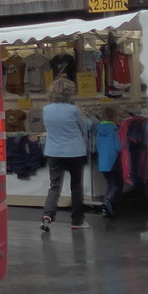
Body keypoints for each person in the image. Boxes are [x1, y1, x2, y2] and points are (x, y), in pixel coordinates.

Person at [40, 77, 92, 231]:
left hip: (53, 152)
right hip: (74, 151)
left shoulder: (46, 109)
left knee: (54, 186)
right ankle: (77, 221)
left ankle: (47, 215)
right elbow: (83, 127)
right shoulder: (73, 109)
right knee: (76, 186)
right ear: (69, 92)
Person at [95, 106, 124, 219]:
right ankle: (108, 202)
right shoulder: (114, 130)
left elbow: (97, 146)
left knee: (110, 183)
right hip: (113, 161)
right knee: (117, 184)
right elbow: (118, 147)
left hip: (102, 162)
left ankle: (107, 205)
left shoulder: (98, 131)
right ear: (114, 117)